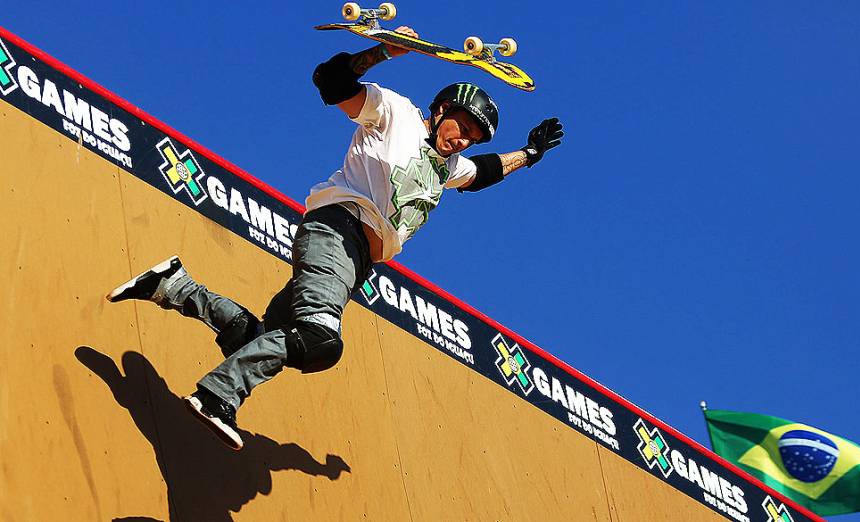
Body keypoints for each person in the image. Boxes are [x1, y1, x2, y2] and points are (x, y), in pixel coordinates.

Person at [106, 27, 564, 450]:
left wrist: (530, 154)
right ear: (441, 110)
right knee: (321, 341)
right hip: (337, 231)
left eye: (473, 137)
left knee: (262, 339)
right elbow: (331, 82)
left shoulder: (449, 169)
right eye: (462, 128)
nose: (464, 141)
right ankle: (217, 396)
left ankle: (174, 286)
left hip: (355, 263)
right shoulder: (395, 113)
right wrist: (383, 51)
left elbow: (483, 174)